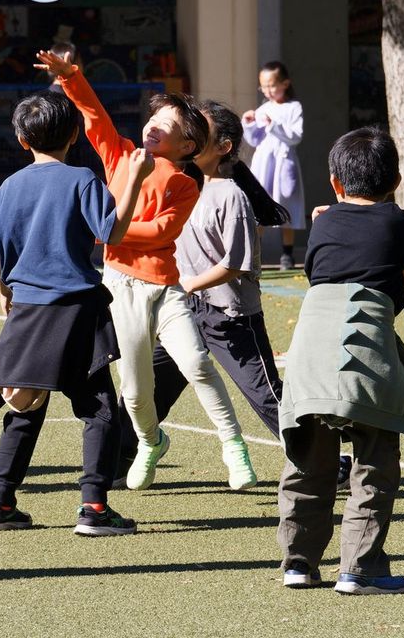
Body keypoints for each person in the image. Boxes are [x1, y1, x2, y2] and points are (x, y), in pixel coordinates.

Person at [35, 49, 255, 493]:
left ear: (188, 146)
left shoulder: (184, 182)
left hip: (166, 289)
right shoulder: (120, 156)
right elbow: (93, 114)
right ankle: (151, 442)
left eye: (168, 126)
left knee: (196, 362)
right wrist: (71, 75)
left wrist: (108, 231)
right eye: (153, 120)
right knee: (134, 392)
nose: (154, 127)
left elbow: (161, 231)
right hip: (120, 287)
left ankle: (234, 447)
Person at [0, 90, 153, 537]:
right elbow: (111, 231)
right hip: (76, 311)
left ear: (20, 139)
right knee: (99, 409)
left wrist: (4, 295)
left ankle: (0, 503)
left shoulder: (9, 185)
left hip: (27, 309)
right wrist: (134, 177)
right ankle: (92, 506)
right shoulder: (82, 179)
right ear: (75, 134)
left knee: (25, 407)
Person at [277, 126, 404, 595]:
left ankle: (299, 563)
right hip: (366, 352)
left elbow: (319, 273)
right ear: (397, 180)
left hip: (309, 352)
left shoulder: (322, 223)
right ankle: (361, 568)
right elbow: (402, 266)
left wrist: (334, 215)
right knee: (375, 462)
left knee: (307, 462)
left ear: (335, 182)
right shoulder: (399, 223)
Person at [116, 102, 290, 479]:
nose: (189, 132)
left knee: (267, 397)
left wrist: (187, 284)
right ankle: (116, 461)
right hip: (181, 312)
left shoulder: (231, 195)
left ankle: (321, 461)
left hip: (231, 319)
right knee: (141, 392)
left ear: (222, 147)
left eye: (200, 129)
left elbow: (234, 264)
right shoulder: (180, 183)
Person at [243, 61, 305, 270]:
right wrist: (250, 123)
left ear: (285, 83)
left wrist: (274, 125)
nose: (268, 91)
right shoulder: (263, 108)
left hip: (283, 161)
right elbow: (254, 139)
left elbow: (296, 136)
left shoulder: (293, 107)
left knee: (286, 204)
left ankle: (287, 254)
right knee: (260, 205)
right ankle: (256, 253)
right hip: (264, 162)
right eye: (264, 86)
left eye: (272, 85)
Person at [45, 41, 105, 182]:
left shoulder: (47, 95)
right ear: (71, 63)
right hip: (71, 168)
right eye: (80, 61)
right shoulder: (67, 97)